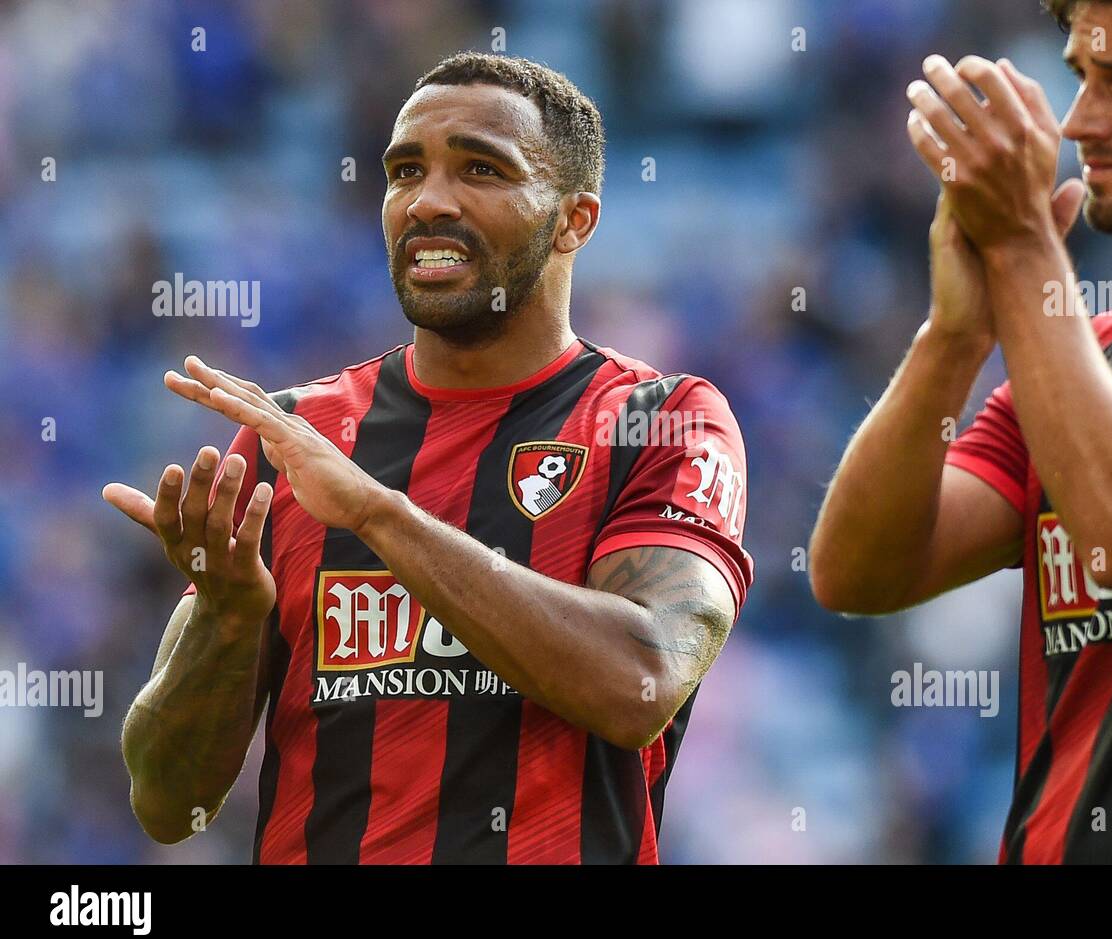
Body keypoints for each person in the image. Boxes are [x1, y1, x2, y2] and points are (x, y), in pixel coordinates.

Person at [102, 52, 752, 865]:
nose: (429, 201)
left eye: (481, 169)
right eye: (405, 170)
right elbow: (169, 803)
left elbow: (640, 683)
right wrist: (227, 620)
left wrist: (379, 514)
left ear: (574, 219)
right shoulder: (295, 438)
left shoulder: (660, 423)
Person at [809, 0, 1112, 863]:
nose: (1081, 122)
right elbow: (858, 569)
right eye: (1081, 77)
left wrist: (1028, 245)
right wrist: (955, 338)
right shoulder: (1092, 357)